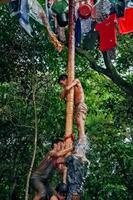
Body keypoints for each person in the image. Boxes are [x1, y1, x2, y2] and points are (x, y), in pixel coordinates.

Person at [58, 74, 88, 158]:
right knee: (78, 127)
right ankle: (80, 149)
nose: (62, 86)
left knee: (80, 126)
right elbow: (61, 96)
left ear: (65, 80)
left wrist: (66, 87)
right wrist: (65, 89)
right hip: (77, 108)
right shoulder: (69, 88)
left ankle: (82, 148)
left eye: (62, 83)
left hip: (80, 106)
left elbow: (67, 88)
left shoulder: (76, 81)